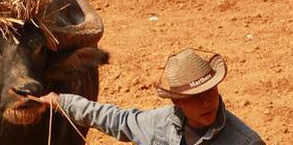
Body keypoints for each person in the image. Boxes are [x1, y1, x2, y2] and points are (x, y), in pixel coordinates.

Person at [39, 47, 265, 145]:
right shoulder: (160, 124)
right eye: (196, 97)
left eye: (211, 91)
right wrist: (62, 102)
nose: (208, 102)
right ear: (177, 101)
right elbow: (116, 119)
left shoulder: (246, 142)